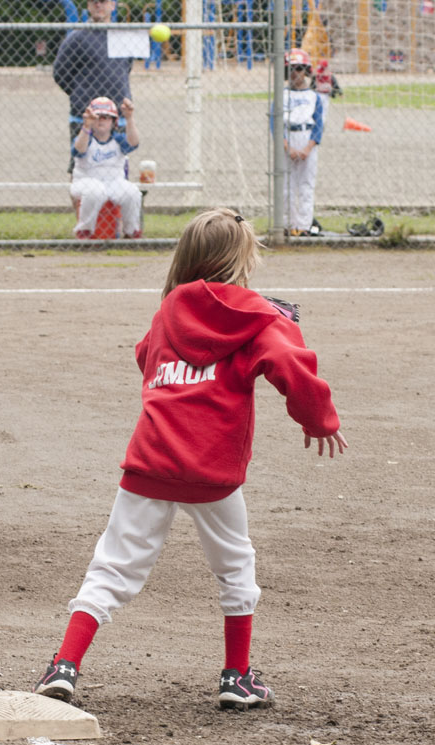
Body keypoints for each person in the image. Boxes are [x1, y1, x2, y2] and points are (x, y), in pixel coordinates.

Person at [32, 208, 348, 710]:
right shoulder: (257, 315)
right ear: (240, 259)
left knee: (113, 566)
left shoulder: (170, 310)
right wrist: (319, 419)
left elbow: (144, 355)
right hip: (211, 470)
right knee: (235, 567)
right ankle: (237, 677)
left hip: (151, 460)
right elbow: (289, 362)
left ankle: (64, 666)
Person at [53, 0, 133, 172]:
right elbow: (60, 73)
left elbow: (126, 68)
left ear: (112, 5)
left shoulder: (123, 36)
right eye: (93, 1)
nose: (98, 5)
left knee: (117, 166)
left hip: (116, 115)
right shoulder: (76, 38)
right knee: (80, 166)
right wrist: (81, 93)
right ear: (88, 6)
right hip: (85, 115)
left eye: (103, 1)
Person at [71, 96, 142, 239]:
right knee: (95, 191)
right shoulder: (86, 137)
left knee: (132, 193)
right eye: (97, 117)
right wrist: (86, 126)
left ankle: (131, 232)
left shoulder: (118, 139)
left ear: (114, 122)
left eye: (107, 117)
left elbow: (134, 143)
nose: (101, 120)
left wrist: (129, 118)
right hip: (85, 181)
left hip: (114, 182)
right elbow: (78, 150)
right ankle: (84, 231)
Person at [281, 48, 324, 236]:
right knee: (286, 185)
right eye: (291, 68)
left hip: (306, 137)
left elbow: (319, 125)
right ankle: (289, 224)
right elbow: (276, 124)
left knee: (306, 185)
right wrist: (287, 146)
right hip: (288, 137)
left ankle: (304, 226)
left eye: (299, 68)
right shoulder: (281, 95)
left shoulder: (314, 97)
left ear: (306, 70)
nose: (294, 73)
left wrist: (308, 148)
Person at [311, 58, 342, 123]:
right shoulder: (317, 75)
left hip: (325, 95)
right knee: (318, 110)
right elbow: (312, 85)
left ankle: (321, 123)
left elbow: (335, 85)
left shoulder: (329, 76)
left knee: (323, 110)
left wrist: (340, 92)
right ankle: (318, 122)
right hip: (318, 95)